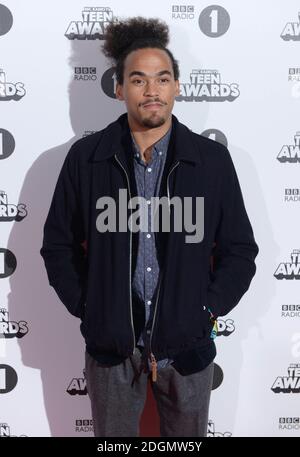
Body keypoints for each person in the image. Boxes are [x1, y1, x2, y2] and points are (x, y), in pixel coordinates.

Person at [40, 16, 259, 437]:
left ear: (177, 86)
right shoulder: (87, 159)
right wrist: (91, 308)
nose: (152, 90)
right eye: (138, 80)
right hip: (111, 350)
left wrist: (206, 310)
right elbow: (58, 246)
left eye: (163, 78)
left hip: (188, 346)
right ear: (120, 89)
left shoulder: (211, 162)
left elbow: (239, 251)